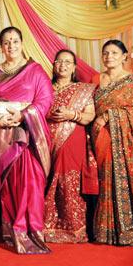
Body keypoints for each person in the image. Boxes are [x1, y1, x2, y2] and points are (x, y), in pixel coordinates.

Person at [0, 27, 53, 254]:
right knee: (9, 184)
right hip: (3, 135)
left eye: (14, 41)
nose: (11, 46)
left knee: (30, 183)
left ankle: (31, 230)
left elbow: (45, 100)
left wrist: (23, 115)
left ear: (22, 43)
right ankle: (11, 229)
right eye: (6, 42)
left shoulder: (35, 70)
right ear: (1, 46)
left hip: (29, 134)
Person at [43, 49, 98, 243]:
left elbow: (89, 115)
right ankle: (47, 225)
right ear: (54, 65)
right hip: (46, 140)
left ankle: (74, 228)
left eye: (67, 62)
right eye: (59, 61)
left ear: (74, 67)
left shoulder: (82, 89)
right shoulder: (45, 88)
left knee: (69, 181)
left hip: (72, 140)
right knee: (46, 180)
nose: (63, 65)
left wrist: (71, 115)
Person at [92, 40, 133, 246]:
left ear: (124, 56)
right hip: (99, 139)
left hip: (127, 141)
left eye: (114, 52)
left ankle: (129, 227)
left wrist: (109, 116)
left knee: (126, 178)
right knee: (105, 179)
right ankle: (107, 230)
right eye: (105, 53)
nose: (109, 56)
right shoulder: (96, 79)